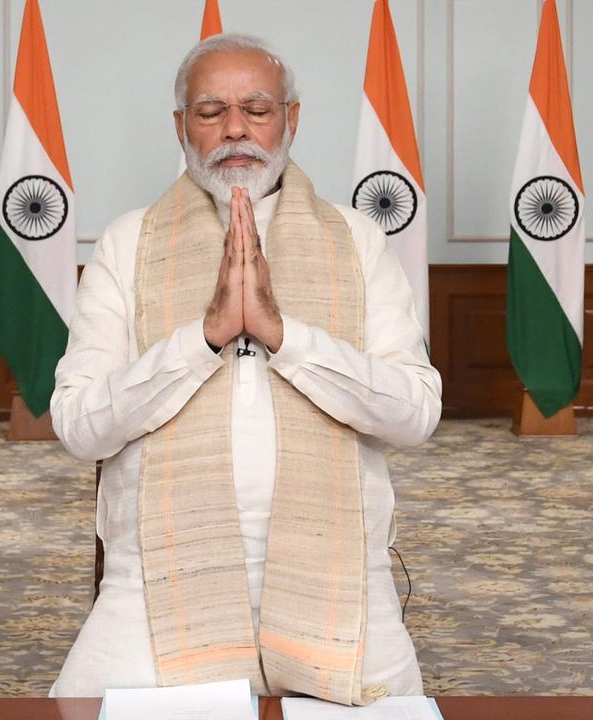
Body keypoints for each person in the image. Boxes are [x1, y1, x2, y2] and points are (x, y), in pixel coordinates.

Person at [48, 33, 442, 705]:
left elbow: (416, 413)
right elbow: (79, 428)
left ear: (292, 118)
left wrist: (284, 336)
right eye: (211, 111)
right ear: (181, 127)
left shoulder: (357, 241)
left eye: (257, 108)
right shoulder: (128, 242)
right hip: (159, 581)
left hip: (340, 576)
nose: (236, 129)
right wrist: (202, 340)